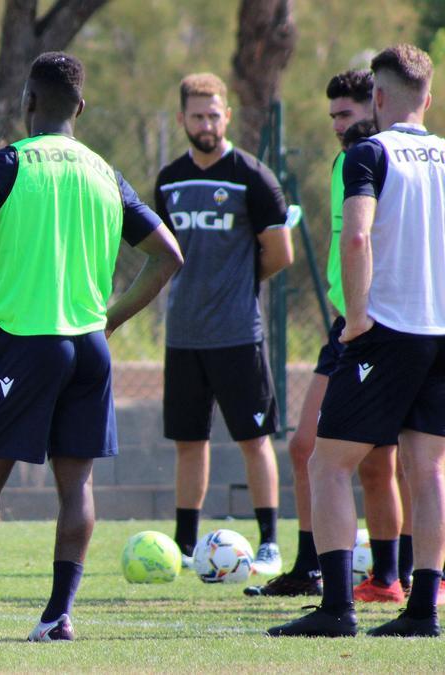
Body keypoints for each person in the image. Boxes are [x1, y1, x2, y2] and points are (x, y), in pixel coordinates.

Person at [0, 51, 182, 643]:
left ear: (27, 102)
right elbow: (168, 255)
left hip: (27, 346)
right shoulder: (106, 172)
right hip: (88, 348)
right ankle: (58, 617)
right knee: (76, 484)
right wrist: (112, 317)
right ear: (80, 107)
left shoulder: (7, 163)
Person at [269, 44, 445, 639]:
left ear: (378, 96)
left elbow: (357, 238)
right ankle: (421, 612)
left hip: (389, 330)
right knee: (428, 472)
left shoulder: (372, 152)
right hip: (441, 333)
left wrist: (358, 318)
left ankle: (337, 607)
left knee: (326, 463)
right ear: (428, 96)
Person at [246, 71, 407, 601]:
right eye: (334, 116)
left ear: (377, 105)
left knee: (391, 462)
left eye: (347, 114)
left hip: (384, 326)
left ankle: (394, 575)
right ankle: (313, 566)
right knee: (304, 446)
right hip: (347, 326)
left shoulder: (390, 162)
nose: (339, 125)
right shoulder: (347, 163)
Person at [154, 72, 293, 576]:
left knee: (254, 441)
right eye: (197, 115)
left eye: (214, 114)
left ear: (227, 116)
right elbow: (162, 252)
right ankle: (184, 546)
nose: (206, 123)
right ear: (182, 119)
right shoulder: (169, 179)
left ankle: (270, 543)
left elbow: (280, 253)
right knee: (190, 442)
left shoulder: (253, 176)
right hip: (183, 336)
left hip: (238, 334)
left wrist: (234, 283)